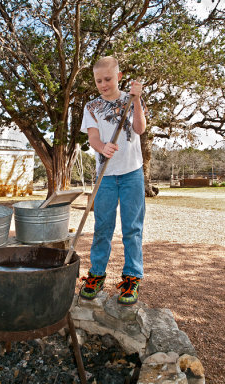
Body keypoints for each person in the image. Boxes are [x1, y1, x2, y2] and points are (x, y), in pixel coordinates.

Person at [80, 56, 146, 305]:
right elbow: (93, 139)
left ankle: (131, 278)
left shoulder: (130, 100)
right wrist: (102, 148)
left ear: (118, 77)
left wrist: (137, 100)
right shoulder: (91, 107)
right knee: (102, 228)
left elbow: (140, 129)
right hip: (105, 176)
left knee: (132, 229)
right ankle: (96, 274)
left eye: (108, 79)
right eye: (98, 80)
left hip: (132, 174)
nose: (103, 84)